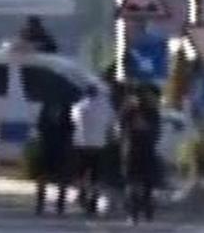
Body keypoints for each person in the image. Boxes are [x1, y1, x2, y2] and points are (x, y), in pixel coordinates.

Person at [69, 76, 115, 216]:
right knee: (96, 175)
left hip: (81, 144)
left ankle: (82, 195)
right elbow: (111, 124)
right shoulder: (106, 107)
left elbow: (74, 122)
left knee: (82, 173)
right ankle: (94, 200)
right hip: (99, 145)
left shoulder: (79, 107)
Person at [120, 86, 162, 223]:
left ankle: (134, 213)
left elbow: (120, 129)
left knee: (133, 183)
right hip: (146, 150)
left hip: (132, 149)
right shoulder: (151, 112)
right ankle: (144, 210)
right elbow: (156, 134)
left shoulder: (129, 111)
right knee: (145, 182)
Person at [30, 89, 76, 216]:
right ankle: (60, 206)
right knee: (62, 177)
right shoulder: (67, 107)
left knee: (43, 175)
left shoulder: (45, 107)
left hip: (46, 145)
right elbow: (71, 128)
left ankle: (40, 204)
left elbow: (39, 126)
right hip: (60, 146)